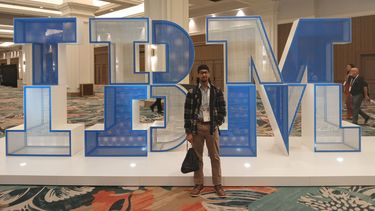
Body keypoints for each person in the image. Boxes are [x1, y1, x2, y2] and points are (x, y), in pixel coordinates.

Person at [184, 64, 226, 197]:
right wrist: (188, 131)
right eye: (201, 73)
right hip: (197, 127)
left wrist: (217, 122)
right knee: (197, 157)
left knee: (215, 157)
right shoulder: (192, 93)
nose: (204, 75)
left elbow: (222, 110)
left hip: (211, 127)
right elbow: (187, 113)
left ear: (208, 74)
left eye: (206, 72)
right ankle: (198, 183)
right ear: (198, 75)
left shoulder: (216, 91)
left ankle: (217, 184)